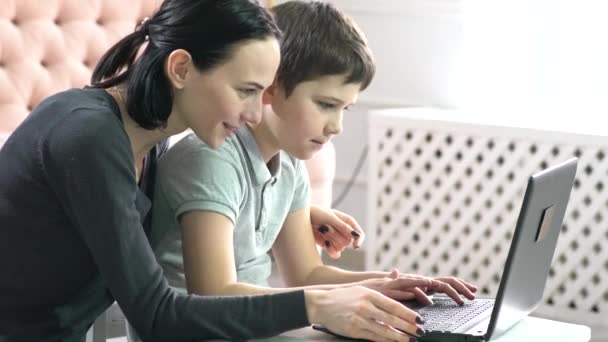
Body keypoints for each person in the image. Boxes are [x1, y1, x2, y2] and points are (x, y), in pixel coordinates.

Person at [0, 1, 427, 341]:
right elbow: (156, 315)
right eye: (245, 91)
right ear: (182, 68)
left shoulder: (146, 142)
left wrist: (291, 213)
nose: (254, 115)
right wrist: (316, 304)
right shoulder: (90, 137)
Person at [150, 1, 478, 341]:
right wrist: (328, 303)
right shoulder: (212, 159)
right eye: (325, 104)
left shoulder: (290, 163)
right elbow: (213, 292)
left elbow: (305, 274)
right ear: (271, 85)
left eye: (344, 109)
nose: (336, 126)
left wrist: (388, 286)